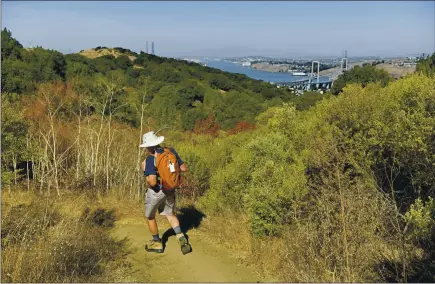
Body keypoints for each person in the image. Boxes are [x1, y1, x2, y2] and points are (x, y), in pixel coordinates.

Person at [139, 131, 191, 255]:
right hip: (170, 190)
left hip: (156, 192)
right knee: (169, 214)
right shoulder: (170, 151)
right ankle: (182, 239)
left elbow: (152, 182)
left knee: (150, 216)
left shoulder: (151, 159)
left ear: (148, 146)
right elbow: (184, 168)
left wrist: (144, 170)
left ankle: (157, 243)